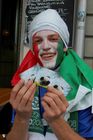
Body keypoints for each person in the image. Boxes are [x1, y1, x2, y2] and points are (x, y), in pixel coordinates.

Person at [6, 9, 93, 140]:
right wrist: (22, 118)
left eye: (52, 39)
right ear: (33, 50)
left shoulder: (84, 88)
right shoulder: (25, 81)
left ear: (64, 46)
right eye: (38, 41)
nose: (45, 46)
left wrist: (56, 121)